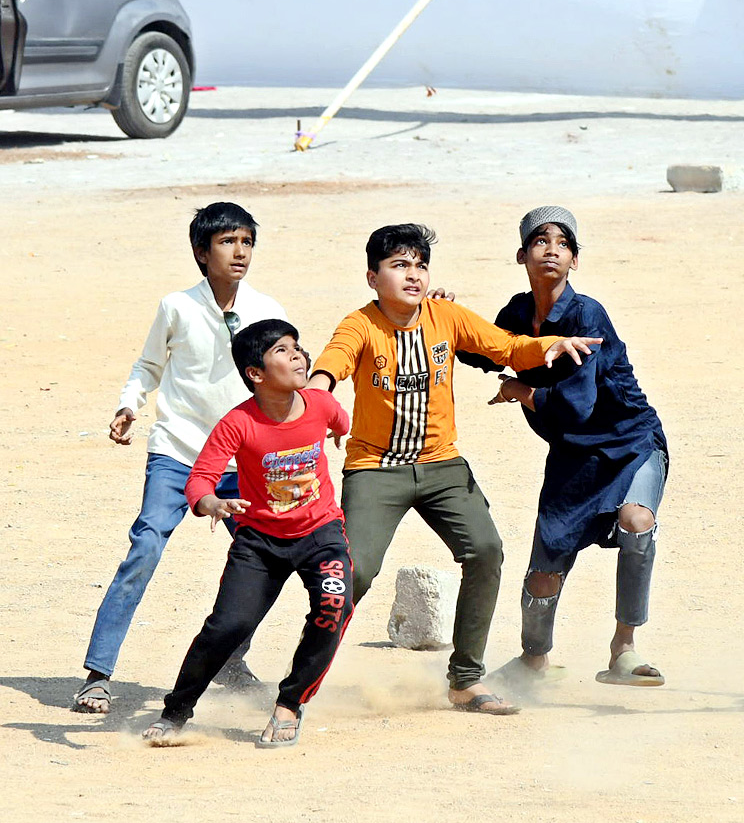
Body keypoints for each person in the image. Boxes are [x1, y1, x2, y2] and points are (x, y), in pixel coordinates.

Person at [307, 223, 601, 715]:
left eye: (420, 265)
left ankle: (465, 681)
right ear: (372, 277)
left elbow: (504, 345)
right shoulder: (358, 324)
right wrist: (316, 394)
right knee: (353, 573)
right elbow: (330, 364)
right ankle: (305, 678)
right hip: (375, 469)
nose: (414, 275)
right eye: (400, 265)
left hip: (442, 464)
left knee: (486, 552)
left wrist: (547, 344)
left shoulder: (445, 316)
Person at [74, 203, 286, 714]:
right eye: (228, 242)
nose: (240, 252)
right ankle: (98, 674)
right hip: (177, 452)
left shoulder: (266, 309)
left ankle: (232, 660)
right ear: (201, 251)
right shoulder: (176, 306)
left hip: (242, 462)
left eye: (248, 242)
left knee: (263, 561)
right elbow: (148, 364)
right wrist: (130, 403)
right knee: (144, 549)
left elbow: (284, 382)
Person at [460, 206, 669, 688]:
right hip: (573, 455)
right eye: (539, 241)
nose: (551, 249)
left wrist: (518, 390)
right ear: (521, 255)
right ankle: (534, 660)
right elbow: (479, 349)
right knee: (543, 573)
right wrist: (438, 311)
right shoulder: (516, 312)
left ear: (574, 260)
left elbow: (575, 405)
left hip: (630, 441)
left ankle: (623, 650)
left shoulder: (586, 313)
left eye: (562, 243)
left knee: (637, 521)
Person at [142, 319, 352, 747]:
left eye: (297, 347)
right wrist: (212, 504)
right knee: (226, 627)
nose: (298, 356)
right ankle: (176, 710)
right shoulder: (238, 423)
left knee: (335, 606)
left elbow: (340, 420)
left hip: (321, 534)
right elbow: (200, 478)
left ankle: (290, 703)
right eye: (282, 350)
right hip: (260, 544)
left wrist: (336, 432)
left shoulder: (319, 402)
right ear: (255, 374)